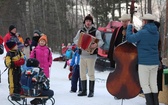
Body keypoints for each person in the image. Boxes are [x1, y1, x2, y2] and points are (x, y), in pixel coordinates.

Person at [126, 13, 159, 105]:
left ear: (145, 21)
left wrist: (129, 27)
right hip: (154, 62)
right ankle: (155, 103)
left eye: (143, 21)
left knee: (145, 85)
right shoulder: (156, 32)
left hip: (144, 62)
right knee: (153, 83)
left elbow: (129, 38)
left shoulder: (143, 32)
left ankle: (150, 103)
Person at [73, 14, 104, 97]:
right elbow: (75, 39)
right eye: (87, 21)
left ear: (92, 22)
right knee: (82, 73)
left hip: (91, 55)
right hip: (82, 55)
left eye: (90, 21)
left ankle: (91, 91)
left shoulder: (96, 31)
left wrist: (96, 45)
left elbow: (101, 42)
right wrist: (79, 43)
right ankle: (83, 91)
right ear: (84, 22)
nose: (88, 23)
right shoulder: (81, 31)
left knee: (91, 73)